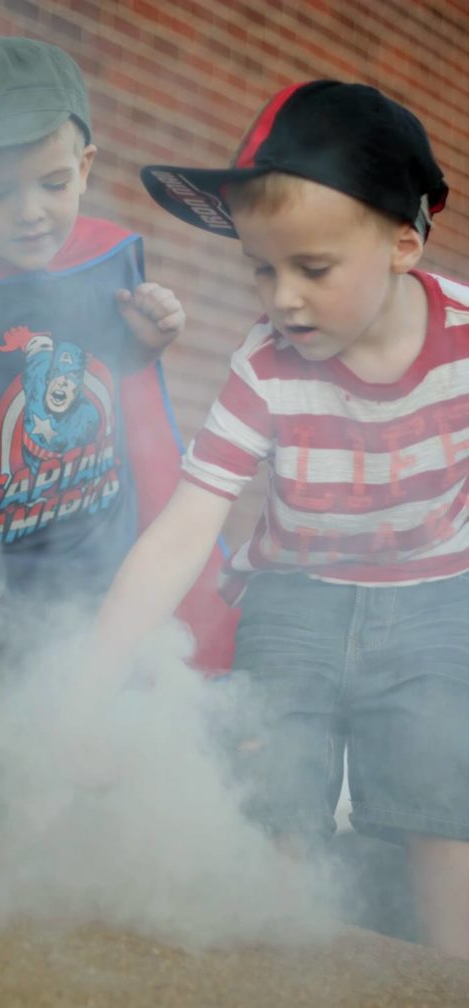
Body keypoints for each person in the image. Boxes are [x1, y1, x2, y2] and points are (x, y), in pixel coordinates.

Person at [93, 80, 469, 960]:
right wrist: (92, 671)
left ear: (404, 242)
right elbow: (187, 527)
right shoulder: (265, 366)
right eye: (262, 269)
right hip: (292, 605)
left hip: (435, 605)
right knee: (277, 800)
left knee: (443, 811)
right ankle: (278, 976)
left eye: (313, 268)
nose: (283, 300)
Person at [0, 37, 238, 804]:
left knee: (112, 779)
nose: (30, 211)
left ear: (86, 165)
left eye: (53, 182)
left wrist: (151, 336)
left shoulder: (109, 259)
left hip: (109, 584)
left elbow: (118, 378)